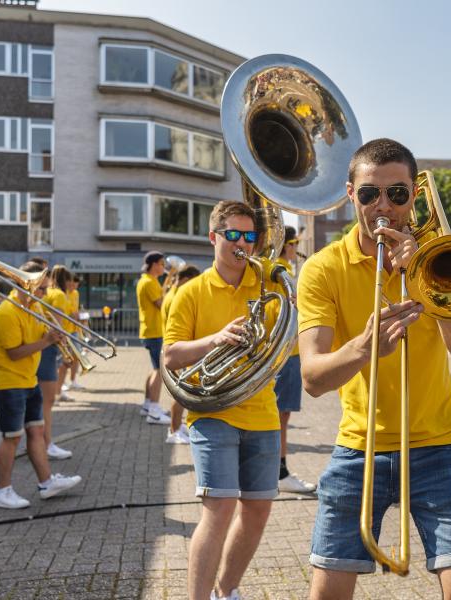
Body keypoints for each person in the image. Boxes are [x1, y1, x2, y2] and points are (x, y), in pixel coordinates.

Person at [298, 138, 451, 599]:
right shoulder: (323, 269)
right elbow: (312, 379)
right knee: (326, 592)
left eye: (397, 194)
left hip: (441, 445)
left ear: (414, 196)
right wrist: (363, 349)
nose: (384, 206)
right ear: (351, 195)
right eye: (370, 194)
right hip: (358, 446)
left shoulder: (444, 259)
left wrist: (427, 282)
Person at [164, 200, 281, 600]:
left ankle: (226, 590)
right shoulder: (191, 292)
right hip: (212, 411)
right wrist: (215, 340)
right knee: (219, 508)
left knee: (258, 510)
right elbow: (171, 355)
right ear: (213, 237)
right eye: (232, 234)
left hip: (262, 411)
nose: (242, 243)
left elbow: (289, 341)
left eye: (249, 236)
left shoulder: (270, 285)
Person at [0, 262, 82, 509]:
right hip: (7, 384)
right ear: (23, 284)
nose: (45, 294)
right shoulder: (6, 313)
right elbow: (15, 353)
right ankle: (1, 491)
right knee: (11, 438)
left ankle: (46, 482)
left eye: (45, 288)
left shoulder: (35, 306)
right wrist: (48, 340)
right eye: (41, 289)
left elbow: (44, 334)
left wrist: (58, 337)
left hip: (28, 381)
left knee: (36, 432)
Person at [274, 225, 317, 494]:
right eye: (294, 244)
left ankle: (275, 471)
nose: (295, 249)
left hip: (286, 352)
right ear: (287, 245)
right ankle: (279, 472)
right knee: (281, 416)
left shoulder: (278, 271)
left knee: (280, 415)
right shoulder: (281, 273)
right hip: (287, 353)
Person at [160, 263, 201, 445]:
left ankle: (175, 428)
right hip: (178, 349)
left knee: (183, 393)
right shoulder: (178, 296)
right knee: (182, 394)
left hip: (179, 348)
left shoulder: (172, 294)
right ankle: (173, 430)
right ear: (185, 280)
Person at [40, 266, 76, 459]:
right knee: (48, 401)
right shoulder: (60, 296)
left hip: (41, 347)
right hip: (48, 348)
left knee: (43, 401)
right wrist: (68, 349)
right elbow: (59, 327)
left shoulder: (48, 294)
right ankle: (46, 444)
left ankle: (42, 443)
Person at [138, 251, 172, 426]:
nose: (163, 267)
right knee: (159, 371)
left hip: (151, 330)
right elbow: (162, 305)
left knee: (154, 370)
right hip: (154, 331)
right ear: (152, 265)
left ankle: (147, 405)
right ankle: (154, 410)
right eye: (161, 263)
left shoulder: (148, 281)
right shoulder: (149, 282)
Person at [61, 275, 85, 393]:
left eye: (76, 284)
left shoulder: (76, 293)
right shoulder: (62, 294)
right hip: (64, 329)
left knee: (77, 356)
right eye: (71, 283)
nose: (73, 286)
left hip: (74, 329)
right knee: (64, 358)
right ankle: (62, 382)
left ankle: (73, 380)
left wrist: (79, 316)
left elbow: (75, 310)